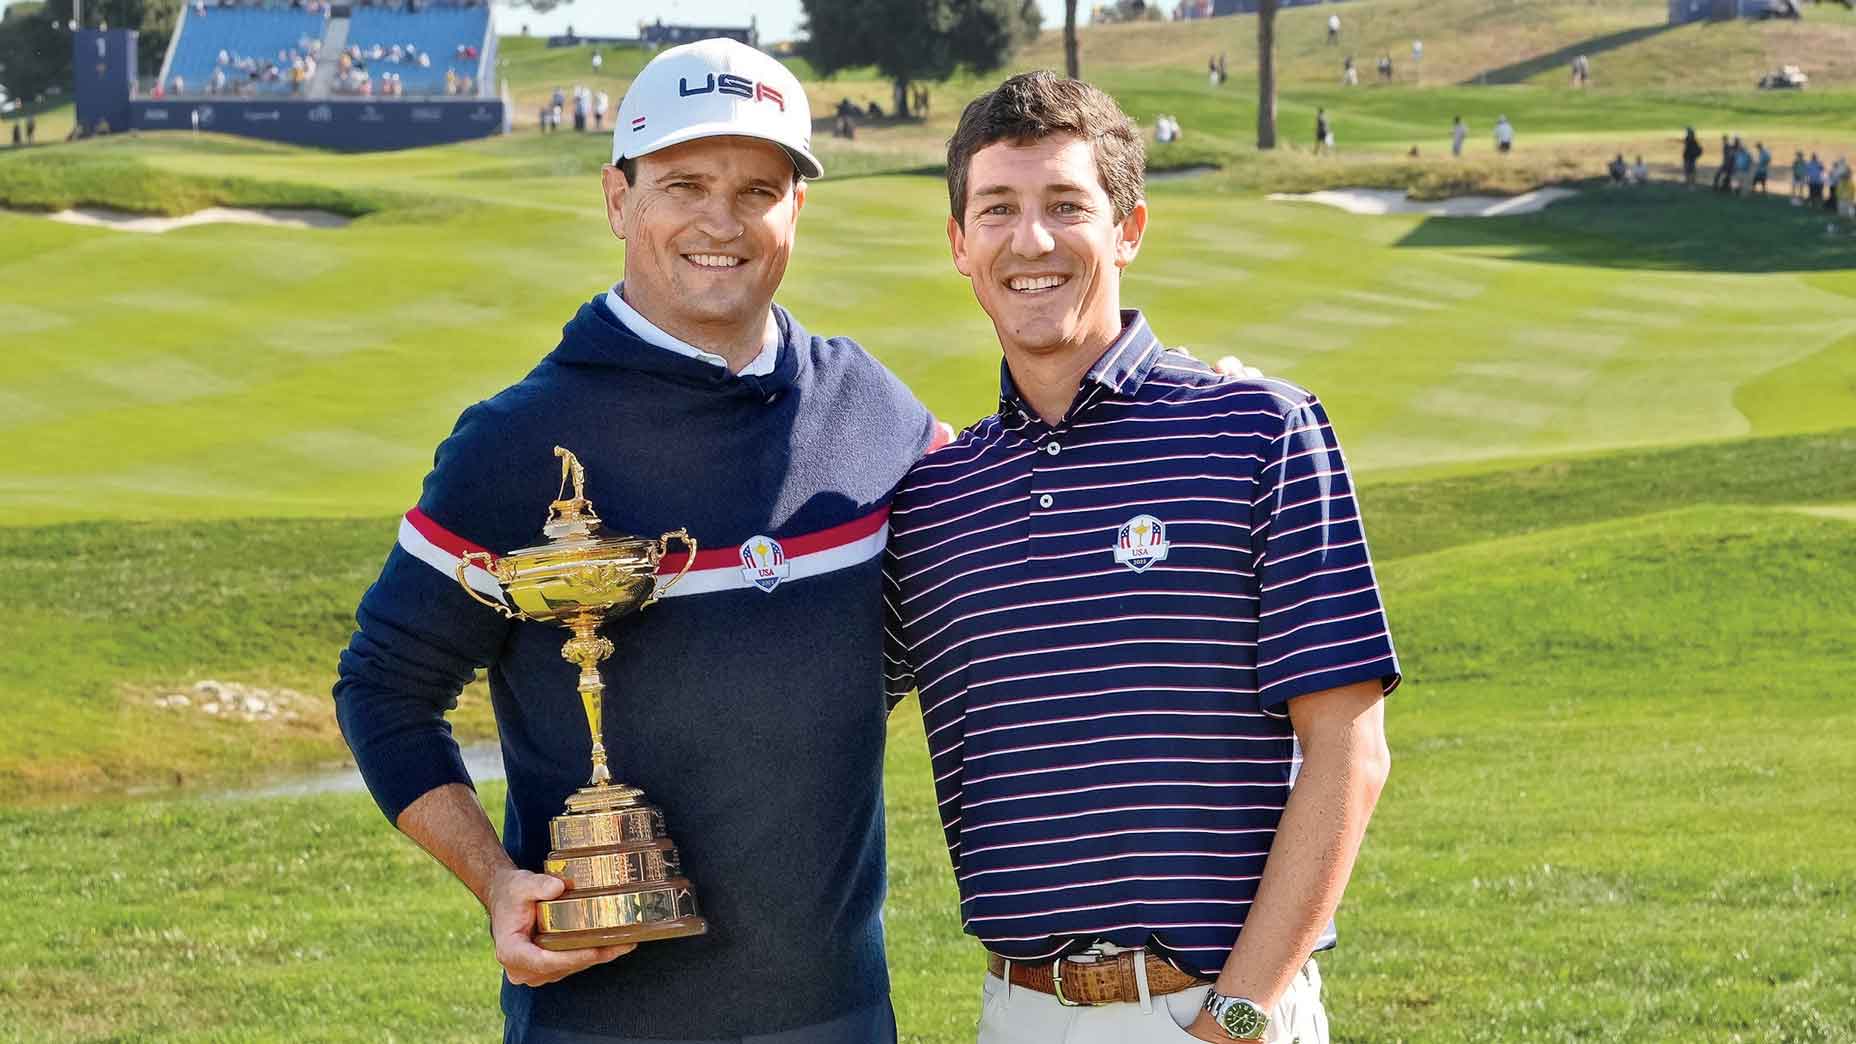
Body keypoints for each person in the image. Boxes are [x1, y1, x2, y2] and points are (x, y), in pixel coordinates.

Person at [334, 38, 950, 1044]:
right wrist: (495, 883)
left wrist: (1163, 416)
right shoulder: (514, 442)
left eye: (757, 188)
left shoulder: (870, 406)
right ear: (618, 199)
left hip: (835, 1013)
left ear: (797, 209)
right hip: (601, 1018)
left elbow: (1007, 522)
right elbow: (383, 689)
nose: (720, 220)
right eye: (682, 184)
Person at [886, 70, 1398, 1044]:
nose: (1029, 240)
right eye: (996, 209)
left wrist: (1235, 1017)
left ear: (1127, 230)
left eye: (1064, 206)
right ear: (960, 244)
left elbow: (1347, 754)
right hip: (1019, 1013)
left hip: (1219, 1008)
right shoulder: (933, 497)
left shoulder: (1257, 429)